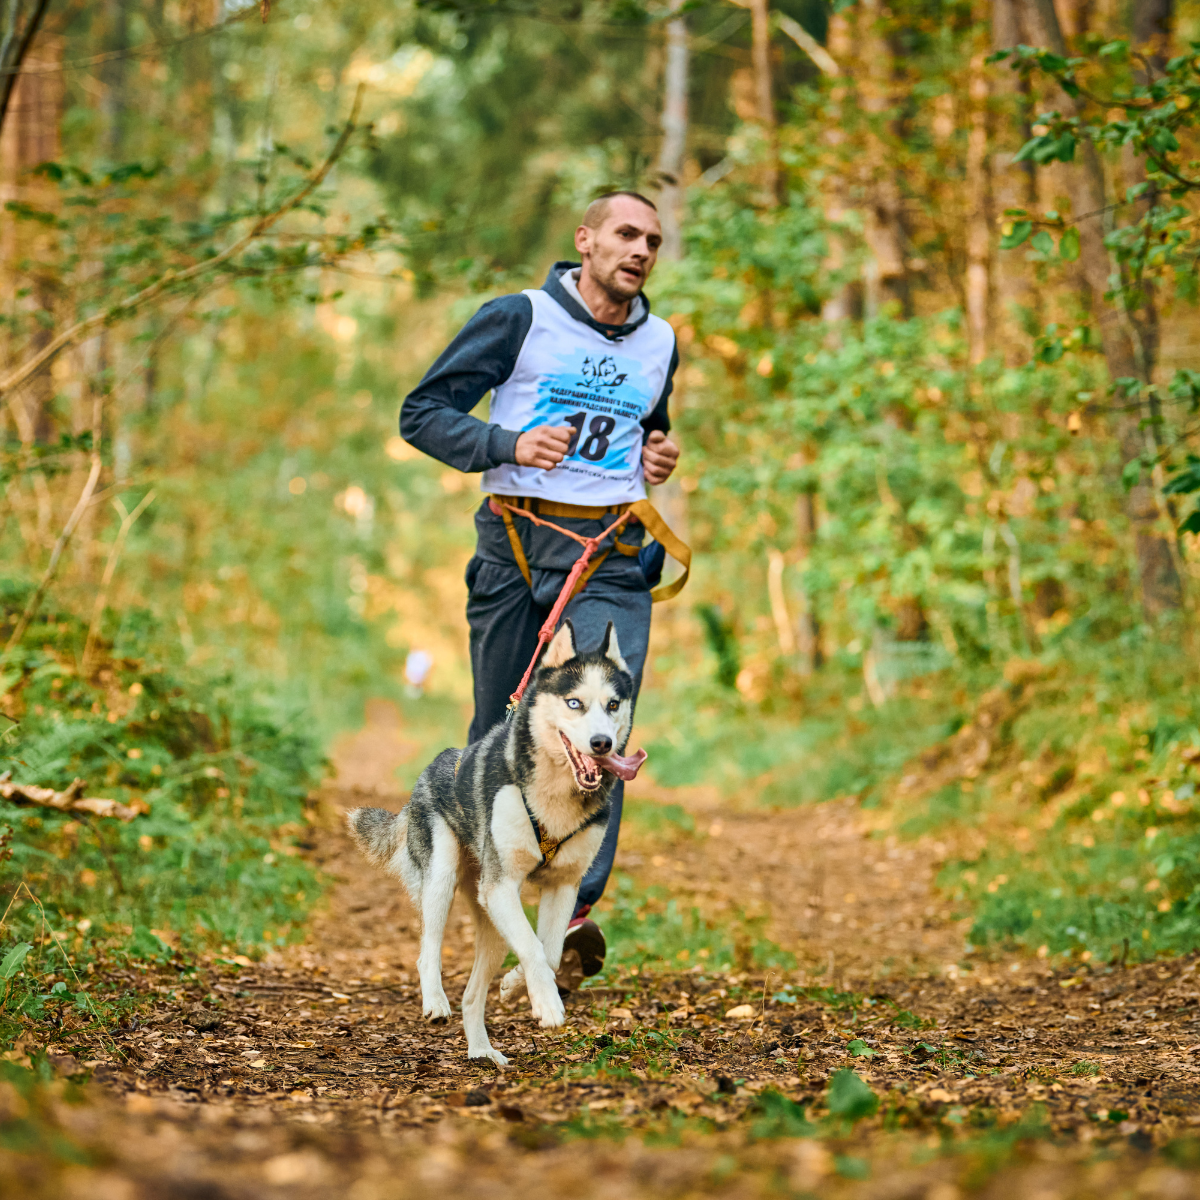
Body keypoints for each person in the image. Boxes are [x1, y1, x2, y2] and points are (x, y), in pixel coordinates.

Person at [400, 191, 682, 984]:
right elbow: (421, 412)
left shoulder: (660, 339)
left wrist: (656, 457)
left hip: (610, 552)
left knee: (598, 729)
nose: (641, 249)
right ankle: (503, 892)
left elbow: (648, 428)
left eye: (653, 240)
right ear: (585, 240)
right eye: (626, 234)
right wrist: (507, 440)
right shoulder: (518, 317)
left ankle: (572, 916)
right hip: (514, 546)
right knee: (501, 730)